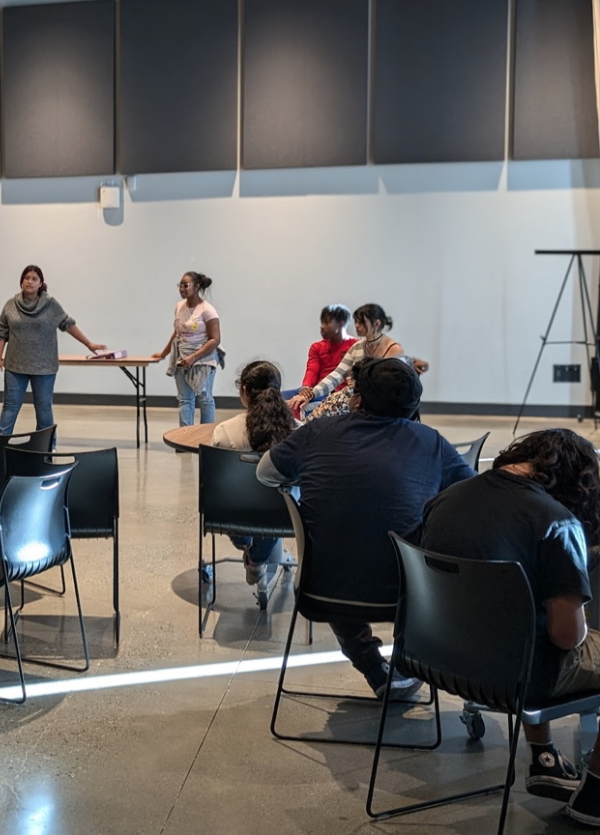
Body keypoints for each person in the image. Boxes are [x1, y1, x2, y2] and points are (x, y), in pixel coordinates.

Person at [257, 357, 474, 697]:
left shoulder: (317, 432)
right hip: (405, 595)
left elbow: (265, 473)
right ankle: (405, 666)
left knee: (340, 547)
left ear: (357, 398)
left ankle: (373, 666)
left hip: (321, 589)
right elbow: (470, 495)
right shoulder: (430, 442)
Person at [417, 429, 600, 822]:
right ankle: (595, 797)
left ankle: (544, 756)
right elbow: (566, 638)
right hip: (514, 674)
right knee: (554, 632)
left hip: (434, 655)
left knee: (523, 620)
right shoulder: (556, 522)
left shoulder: (447, 497)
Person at [0, 265, 105, 437]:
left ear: (40, 283)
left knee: (44, 409)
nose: (30, 281)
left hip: (44, 368)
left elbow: (68, 324)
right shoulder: (10, 305)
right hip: (15, 367)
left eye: (34, 278)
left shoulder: (50, 305)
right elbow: (2, 333)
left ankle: (46, 451)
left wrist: (89, 344)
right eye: (26, 277)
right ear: (21, 281)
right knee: (10, 407)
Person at [212, 360, 296, 582]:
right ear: (277, 391)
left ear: (244, 391)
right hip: (285, 516)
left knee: (231, 496)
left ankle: (246, 544)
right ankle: (257, 559)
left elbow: (216, 482)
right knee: (273, 501)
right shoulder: (298, 431)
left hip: (233, 515)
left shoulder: (224, 431)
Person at [288, 303, 427, 421]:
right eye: (356, 322)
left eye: (361, 322)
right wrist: (312, 393)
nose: (357, 326)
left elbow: (394, 386)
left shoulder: (394, 350)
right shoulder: (358, 346)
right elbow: (337, 375)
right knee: (326, 408)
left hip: (380, 403)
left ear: (376, 324)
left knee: (335, 405)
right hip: (356, 397)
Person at [151, 272, 221, 427]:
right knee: (185, 399)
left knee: (205, 398)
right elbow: (177, 333)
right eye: (180, 285)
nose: (182, 288)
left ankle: (205, 438)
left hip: (203, 358)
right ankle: (183, 438)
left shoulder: (207, 310)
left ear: (197, 287)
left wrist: (194, 357)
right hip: (182, 357)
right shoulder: (179, 307)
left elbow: (215, 339)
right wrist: (164, 353)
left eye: (186, 285)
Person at [298, 304, 357, 397]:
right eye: (322, 322)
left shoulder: (355, 346)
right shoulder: (316, 347)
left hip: (345, 394)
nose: (321, 327)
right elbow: (312, 371)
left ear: (340, 323)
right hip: (320, 392)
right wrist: (305, 387)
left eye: (326, 322)